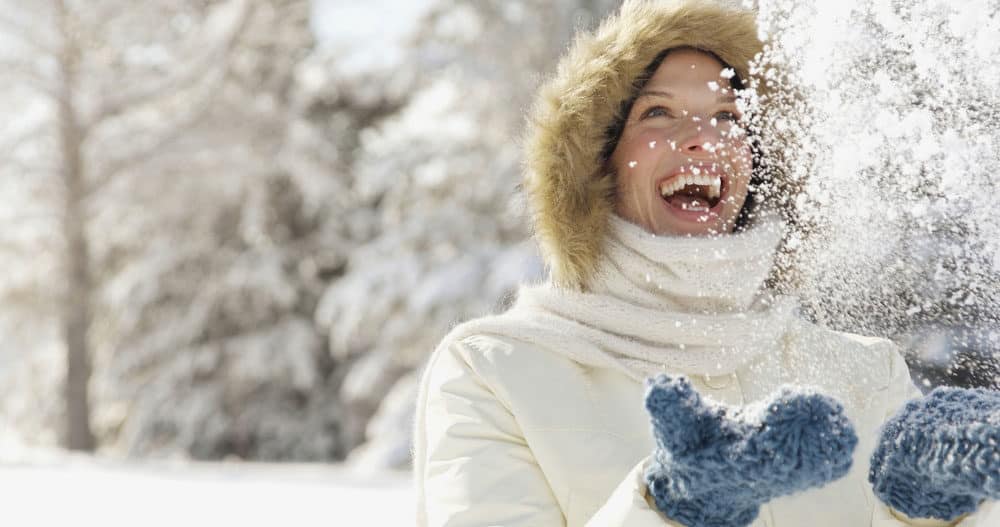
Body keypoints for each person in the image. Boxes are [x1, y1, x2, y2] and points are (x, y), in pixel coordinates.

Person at [412, 1, 999, 526]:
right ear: (597, 161)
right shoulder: (497, 371)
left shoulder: (865, 373)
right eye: (659, 113)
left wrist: (927, 512)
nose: (702, 139)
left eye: (728, 116)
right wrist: (672, 507)